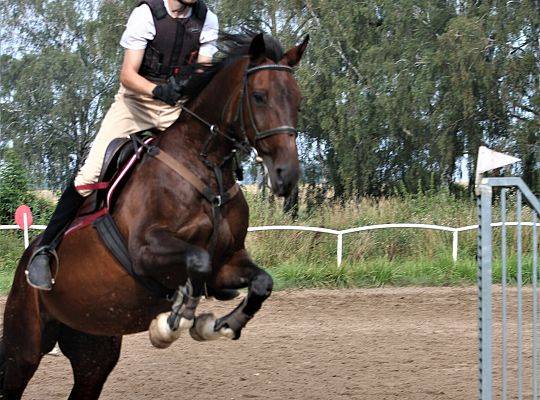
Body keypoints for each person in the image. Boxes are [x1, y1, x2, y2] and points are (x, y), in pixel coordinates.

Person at [26, 0, 219, 290]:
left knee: (208, 161)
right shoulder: (146, 14)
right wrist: (159, 90)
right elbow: (127, 75)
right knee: (89, 176)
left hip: (175, 109)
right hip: (134, 105)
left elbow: (203, 70)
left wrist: (188, 89)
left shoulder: (207, 19)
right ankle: (45, 249)